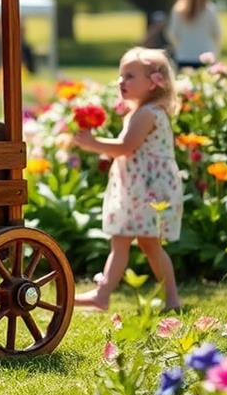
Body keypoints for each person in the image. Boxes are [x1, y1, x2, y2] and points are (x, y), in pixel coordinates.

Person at [72, 47, 183, 312]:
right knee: (136, 242)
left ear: (154, 83)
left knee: (137, 242)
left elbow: (126, 147)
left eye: (130, 76)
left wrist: (93, 143)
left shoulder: (147, 114)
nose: (122, 81)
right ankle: (109, 293)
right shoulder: (143, 111)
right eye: (121, 75)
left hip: (147, 190)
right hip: (141, 187)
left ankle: (165, 298)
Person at [166, 0, 221, 68]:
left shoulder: (178, 9)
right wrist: (215, 52)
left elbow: (172, 34)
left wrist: (180, 47)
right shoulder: (210, 9)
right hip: (206, 56)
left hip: (184, 56)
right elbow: (217, 33)